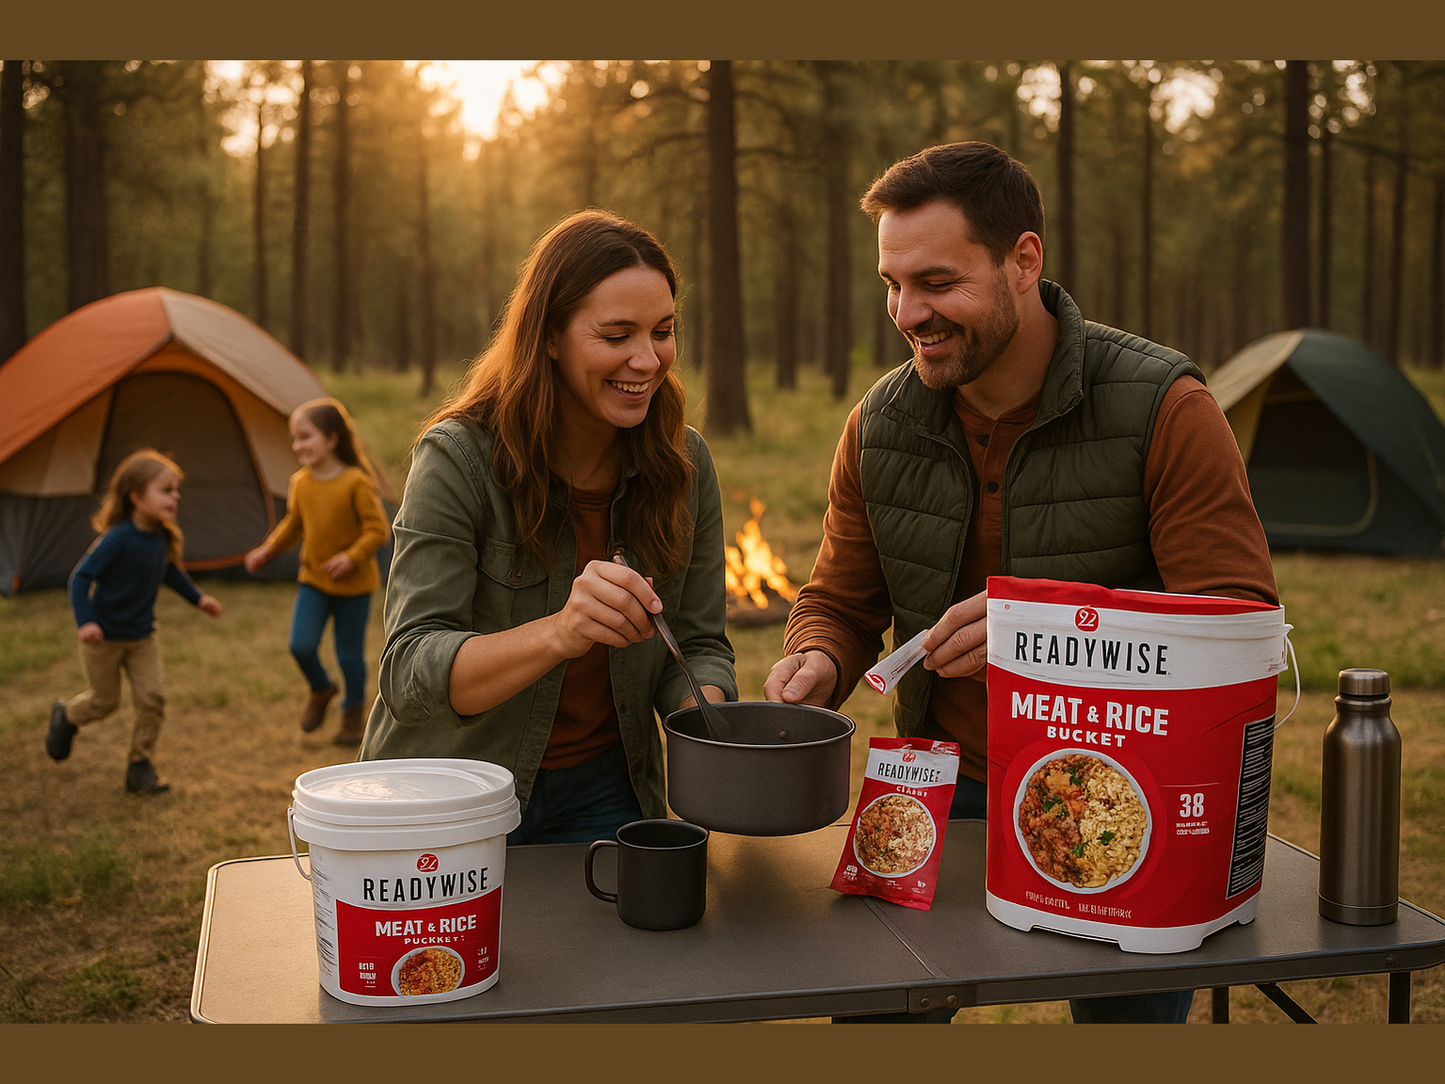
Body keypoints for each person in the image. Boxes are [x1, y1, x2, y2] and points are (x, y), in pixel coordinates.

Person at [764, 141, 1278, 1024]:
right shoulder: (878, 424)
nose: (907, 313)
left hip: (1125, 799)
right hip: (943, 784)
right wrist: (818, 656)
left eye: (936, 283)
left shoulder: (1165, 406)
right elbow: (841, 601)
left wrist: (1041, 629)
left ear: (1023, 261)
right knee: (877, 1025)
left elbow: (1239, 623)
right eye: (893, 284)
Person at [358, 209, 736, 846]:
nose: (647, 360)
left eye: (663, 332)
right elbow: (409, 670)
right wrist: (562, 632)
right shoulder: (458, 458)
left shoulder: (684, 463)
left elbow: (698, 643)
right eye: (616, 335)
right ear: (551, 336)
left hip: (609, 788)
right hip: (455, 788)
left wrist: (710, 716)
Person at [46, 448, 224, 794]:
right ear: (136, 497)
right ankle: (66, 715)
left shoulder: (161, 536)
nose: (175, 497)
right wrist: (86, 622)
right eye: (166, 490)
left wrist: (198, 599)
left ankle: (140, 766)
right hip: (103, 638)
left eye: (176, 490)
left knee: (152, 699)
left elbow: (169, 572)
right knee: (104, 702)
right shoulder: (117, 538)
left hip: (142, 637)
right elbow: (80, 578)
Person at [244, 398, 392, 746]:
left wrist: (351, 557)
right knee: (301, 645)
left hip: (355, 586)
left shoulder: (356, 482)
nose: (298, 446)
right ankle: (322, 687)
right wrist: (267, 550)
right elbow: (293, 524)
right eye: (294, 439)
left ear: (332, 439)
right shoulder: (301, 483)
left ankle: (352, 716)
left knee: (349, 656)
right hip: (314, 581)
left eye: (305, 437)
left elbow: (378, 530)